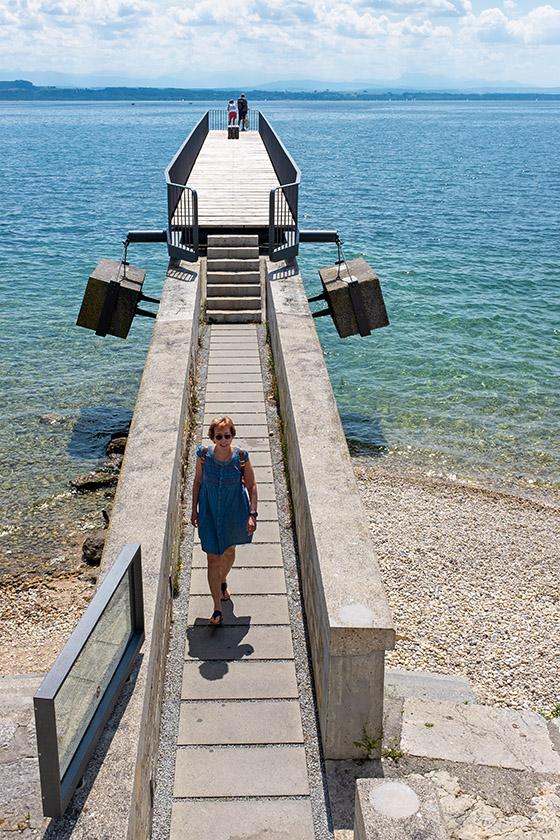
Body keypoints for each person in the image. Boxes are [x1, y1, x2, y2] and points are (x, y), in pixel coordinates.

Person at [191, 416, 258, 626]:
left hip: (233, 510)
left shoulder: (241, 456)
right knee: (212, 557)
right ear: (212, 437)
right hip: (209, 511)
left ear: (232, 435)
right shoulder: (203, 455)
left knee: (229, 551)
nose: (223, 440)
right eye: (218, 436)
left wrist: (252, 514)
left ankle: (222, 580)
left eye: (227, 435)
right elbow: (197, 482)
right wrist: (194, 510)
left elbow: (252, 486)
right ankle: (217, 609)